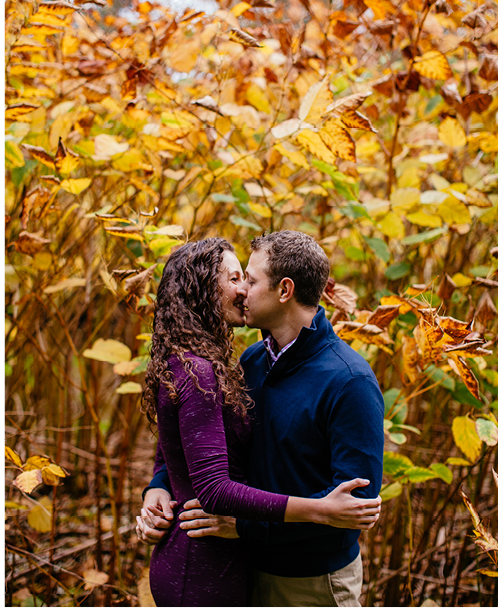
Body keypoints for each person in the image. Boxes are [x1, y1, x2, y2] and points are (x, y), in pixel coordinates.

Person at [134, 237, 382, 607]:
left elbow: (351, 508)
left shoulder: (349, 381)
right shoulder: (251, 362)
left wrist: (245, 528)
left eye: (249, 280)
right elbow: (196, 441)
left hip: (309, 581)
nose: (242, 291)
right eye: (236, 279)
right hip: (243, 568)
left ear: (284, 290)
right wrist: (160, 487)